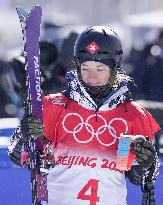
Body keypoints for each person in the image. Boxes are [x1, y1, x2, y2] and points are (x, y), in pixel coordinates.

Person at [8, 26, 160, 205]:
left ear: (115, 68)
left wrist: (147, 164)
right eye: (85, 68)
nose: (92, 78)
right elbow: (18, 157)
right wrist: (22, 138)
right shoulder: (52, 107)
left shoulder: (133, 116)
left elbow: (137, 178)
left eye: (100, 69)